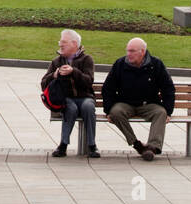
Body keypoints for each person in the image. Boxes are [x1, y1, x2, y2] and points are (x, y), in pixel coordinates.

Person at [101, 37, 175, 161]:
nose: (128, 54)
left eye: (132, 51)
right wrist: (108, 110)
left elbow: (168, 88)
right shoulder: (120, 64)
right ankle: (137, 144)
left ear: (142, 52)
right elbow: (107, 88)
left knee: (161, 112)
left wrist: (168, 110)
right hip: (125, 103)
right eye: (127, 51)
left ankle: (152, 147)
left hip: (149, 103)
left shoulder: (156, 64)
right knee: (115, 112)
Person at [41, 29, 99, 158]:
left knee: (88, 107)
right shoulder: (57, 61)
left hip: (85, 98)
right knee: (70, 108)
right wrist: (54, 74)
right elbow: (43, 84)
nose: (60, 44)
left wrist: (73, 71)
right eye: (60, 41)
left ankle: (92, 146)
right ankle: (63, 145)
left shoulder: (87, 59)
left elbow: (88, 81)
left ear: (74, 44)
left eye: (63, 42)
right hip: (66, 99)